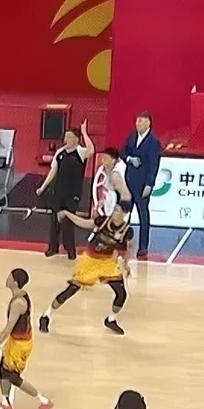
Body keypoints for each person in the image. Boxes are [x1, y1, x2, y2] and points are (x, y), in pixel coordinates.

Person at [39, 206, 132, 336]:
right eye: (115, 210)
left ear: (123, 215)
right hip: (90, 260)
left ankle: (111, 319)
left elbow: (128, 247)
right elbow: (83, 223)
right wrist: (67, 213)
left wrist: (126, 264)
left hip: (106, 262)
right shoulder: (103, 221)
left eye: (118, 211)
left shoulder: (127, 230)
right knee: (71, 290)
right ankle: (46, 315)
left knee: (121, 293)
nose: (115, 213)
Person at [0, 268, 53, 409]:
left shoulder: (18, 303)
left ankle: (44, 401)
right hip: (17, 341)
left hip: (20, 344)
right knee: (3, 370)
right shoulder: (21, 295)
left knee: (13, 377)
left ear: (15, 282)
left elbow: (8, 329)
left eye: (9, 276)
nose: (7, 278)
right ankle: (5, 403)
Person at [36, 121, 94, 259]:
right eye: (66, 137)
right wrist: (43, 187)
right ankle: (53, 248)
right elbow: (53, 171)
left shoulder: (80, 152)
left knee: (68, 221)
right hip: (58, 191)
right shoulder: (60, 153)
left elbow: (91, 150)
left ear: (76, 139)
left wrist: (84, 132)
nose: (66, 139)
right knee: (54, 220)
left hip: (72, 193)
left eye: (69, 137)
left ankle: (70, 250)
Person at [122, 112, 160, 259]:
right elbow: (122, 151)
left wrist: (149, 184)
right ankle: (121, 240)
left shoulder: (153, 142)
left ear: (148, 123)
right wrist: (129, 159)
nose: (138, 124)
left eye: (141, 121)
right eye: (137, 121)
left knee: (143, 213)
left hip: (142, 183)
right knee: (125, 212)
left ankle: (143, 246)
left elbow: (154, 165)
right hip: (129, 180)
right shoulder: (132, 137)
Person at [91, 147, 132, 220]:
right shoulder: (107, 173)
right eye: (103, 158)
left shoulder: (115, 176)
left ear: (113, 160)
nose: (103, 160)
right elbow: (108, 193)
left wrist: (119, 214)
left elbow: (126, 196)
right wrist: (101, 203)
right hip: (108, 209)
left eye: (106, 158)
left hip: (115, 214)